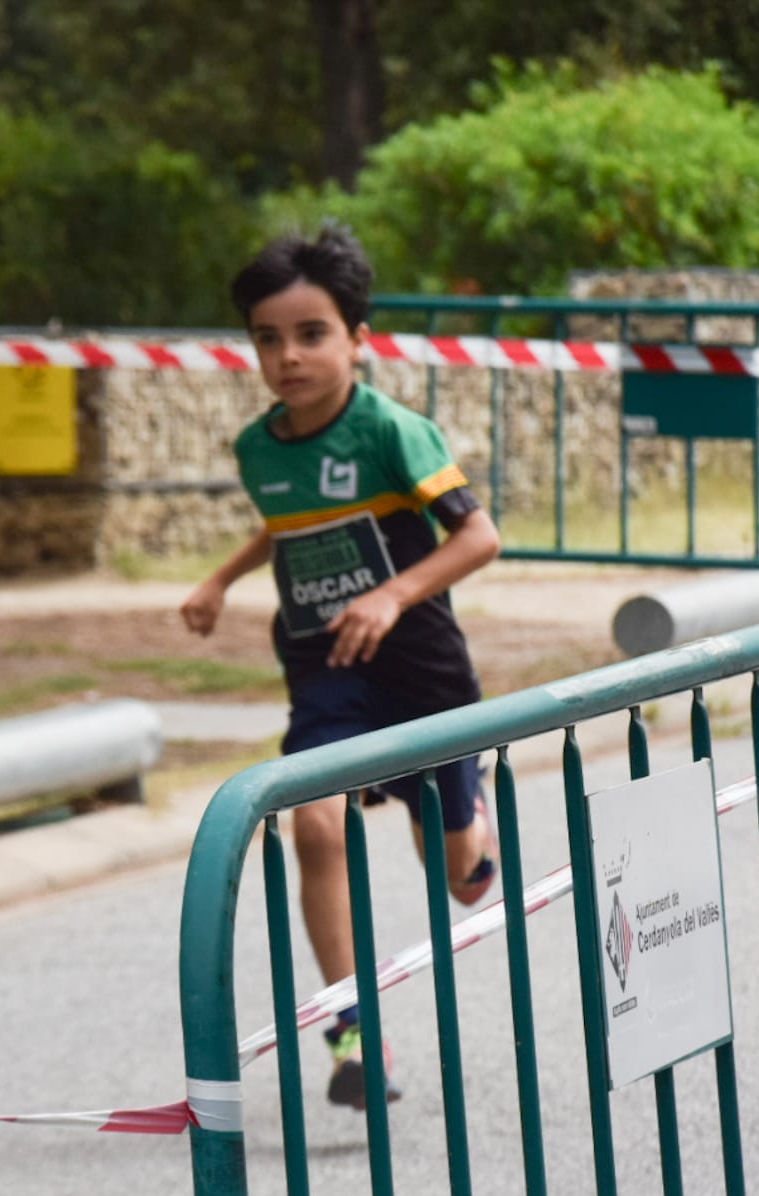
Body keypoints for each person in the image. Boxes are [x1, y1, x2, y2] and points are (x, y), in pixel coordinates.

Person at [180, 224, 502, 1110]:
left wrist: (394, 595)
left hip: (423, 670)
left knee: (461, 879)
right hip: (325, 665)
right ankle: (354, 1034)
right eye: (268, 338)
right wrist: (220, 577)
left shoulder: (395, 431)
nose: (289, 356)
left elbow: (479, 536)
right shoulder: (258, 448)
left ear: (357, 338)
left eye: (311, 333)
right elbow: (286, 523)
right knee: (314, 823)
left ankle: (471, 832)